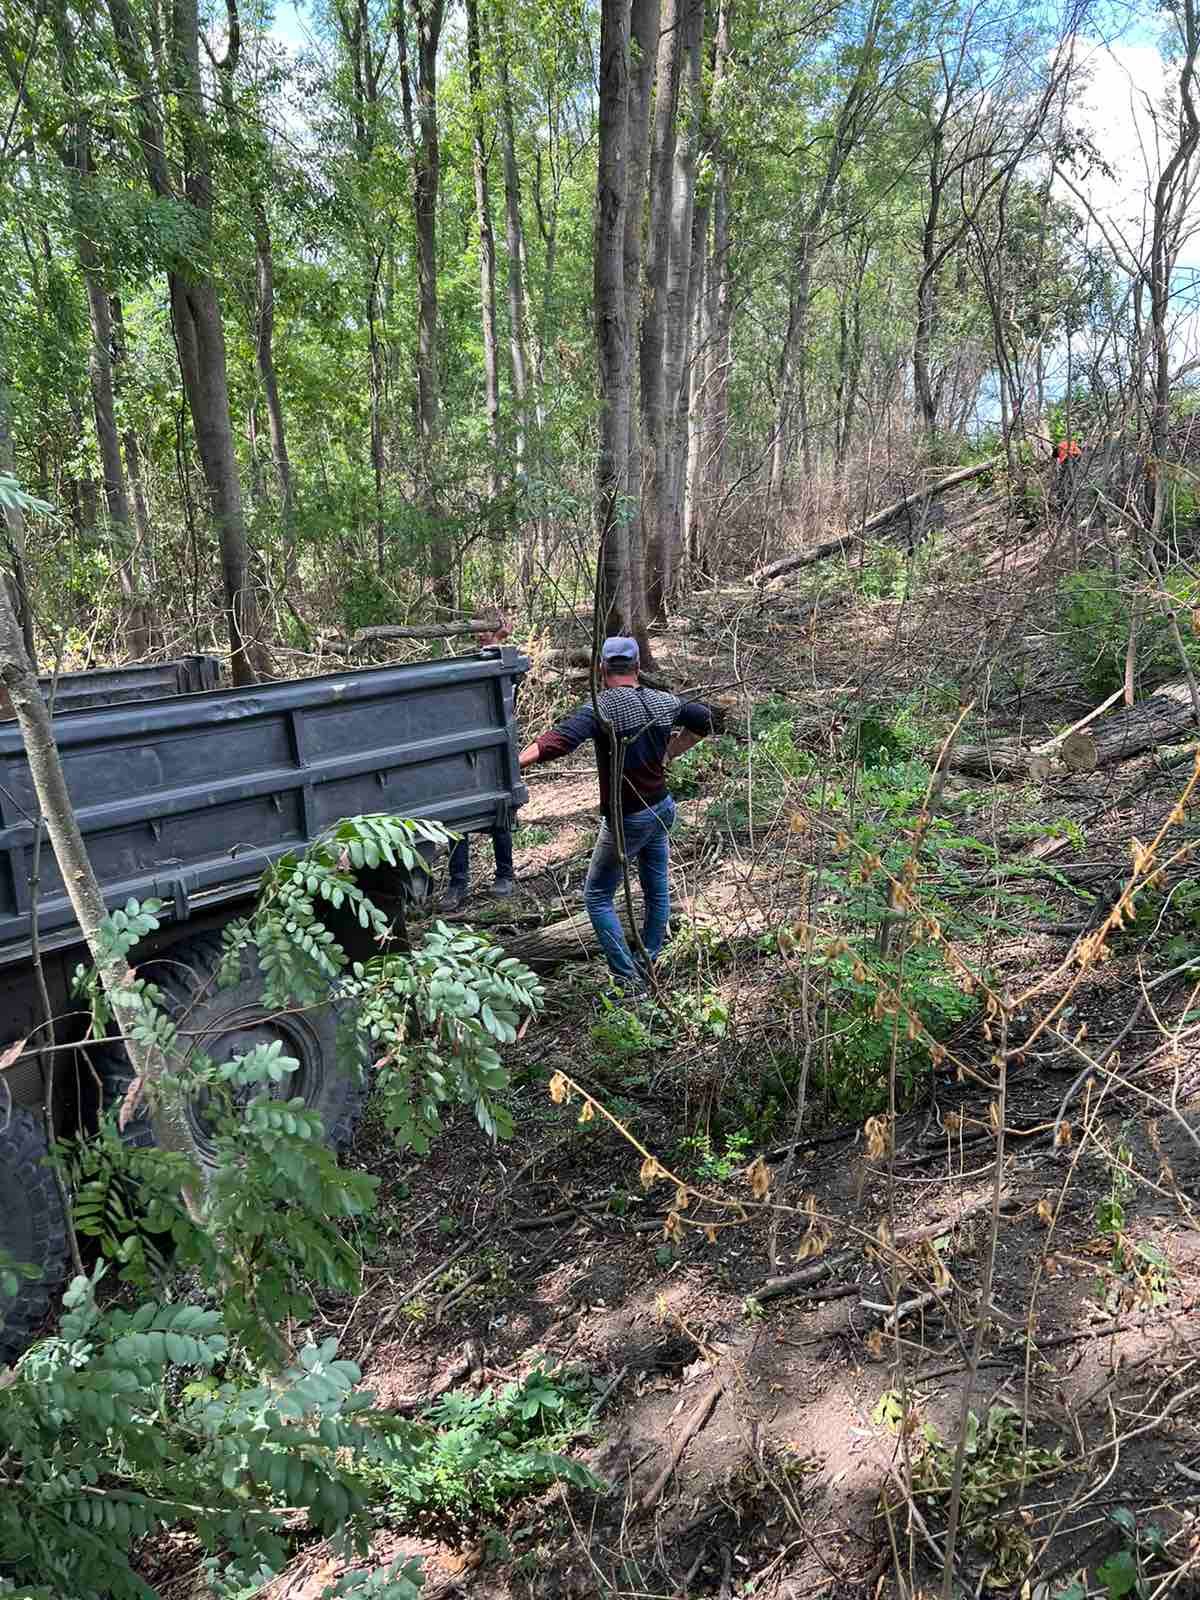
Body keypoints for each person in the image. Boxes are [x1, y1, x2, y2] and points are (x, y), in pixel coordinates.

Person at [518, 636, 720, 991]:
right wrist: (671, 751)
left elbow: (561, 740)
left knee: (596, 896)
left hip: (628, 818)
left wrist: (515, 761)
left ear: (601, 670)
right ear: (638, 668)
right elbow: (705, 718)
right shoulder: (662, 702)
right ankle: (649, 961)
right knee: (657, 891)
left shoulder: (603, 707)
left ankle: (627, 979)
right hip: (662, 808)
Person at [443, 622, 518, 911]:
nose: (480, 634)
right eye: (478, 629)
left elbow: (510, 681)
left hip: (494, 749)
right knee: (456, 820)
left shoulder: (498, 658)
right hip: (461, 750)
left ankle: (505, 874)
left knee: (497, 814)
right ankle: (458, 882)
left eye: (486, 629)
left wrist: (498, 640)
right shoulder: (467, 663)